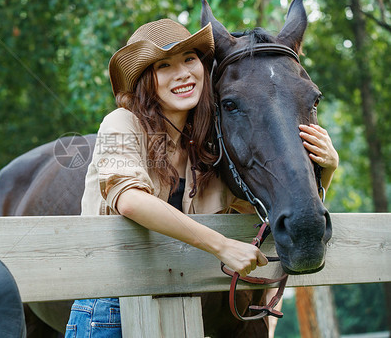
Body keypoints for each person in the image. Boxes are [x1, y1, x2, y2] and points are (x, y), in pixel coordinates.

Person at [65, 19, 339, 338]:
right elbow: (129, 200)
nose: (182, 73)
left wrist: (327, 168)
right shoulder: (120, 124)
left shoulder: (208, 148)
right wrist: (222, 246)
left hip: (181, 310)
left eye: (189, 59)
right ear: (145, 79)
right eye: (164, 65)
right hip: (113, 308)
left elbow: (274, 212)